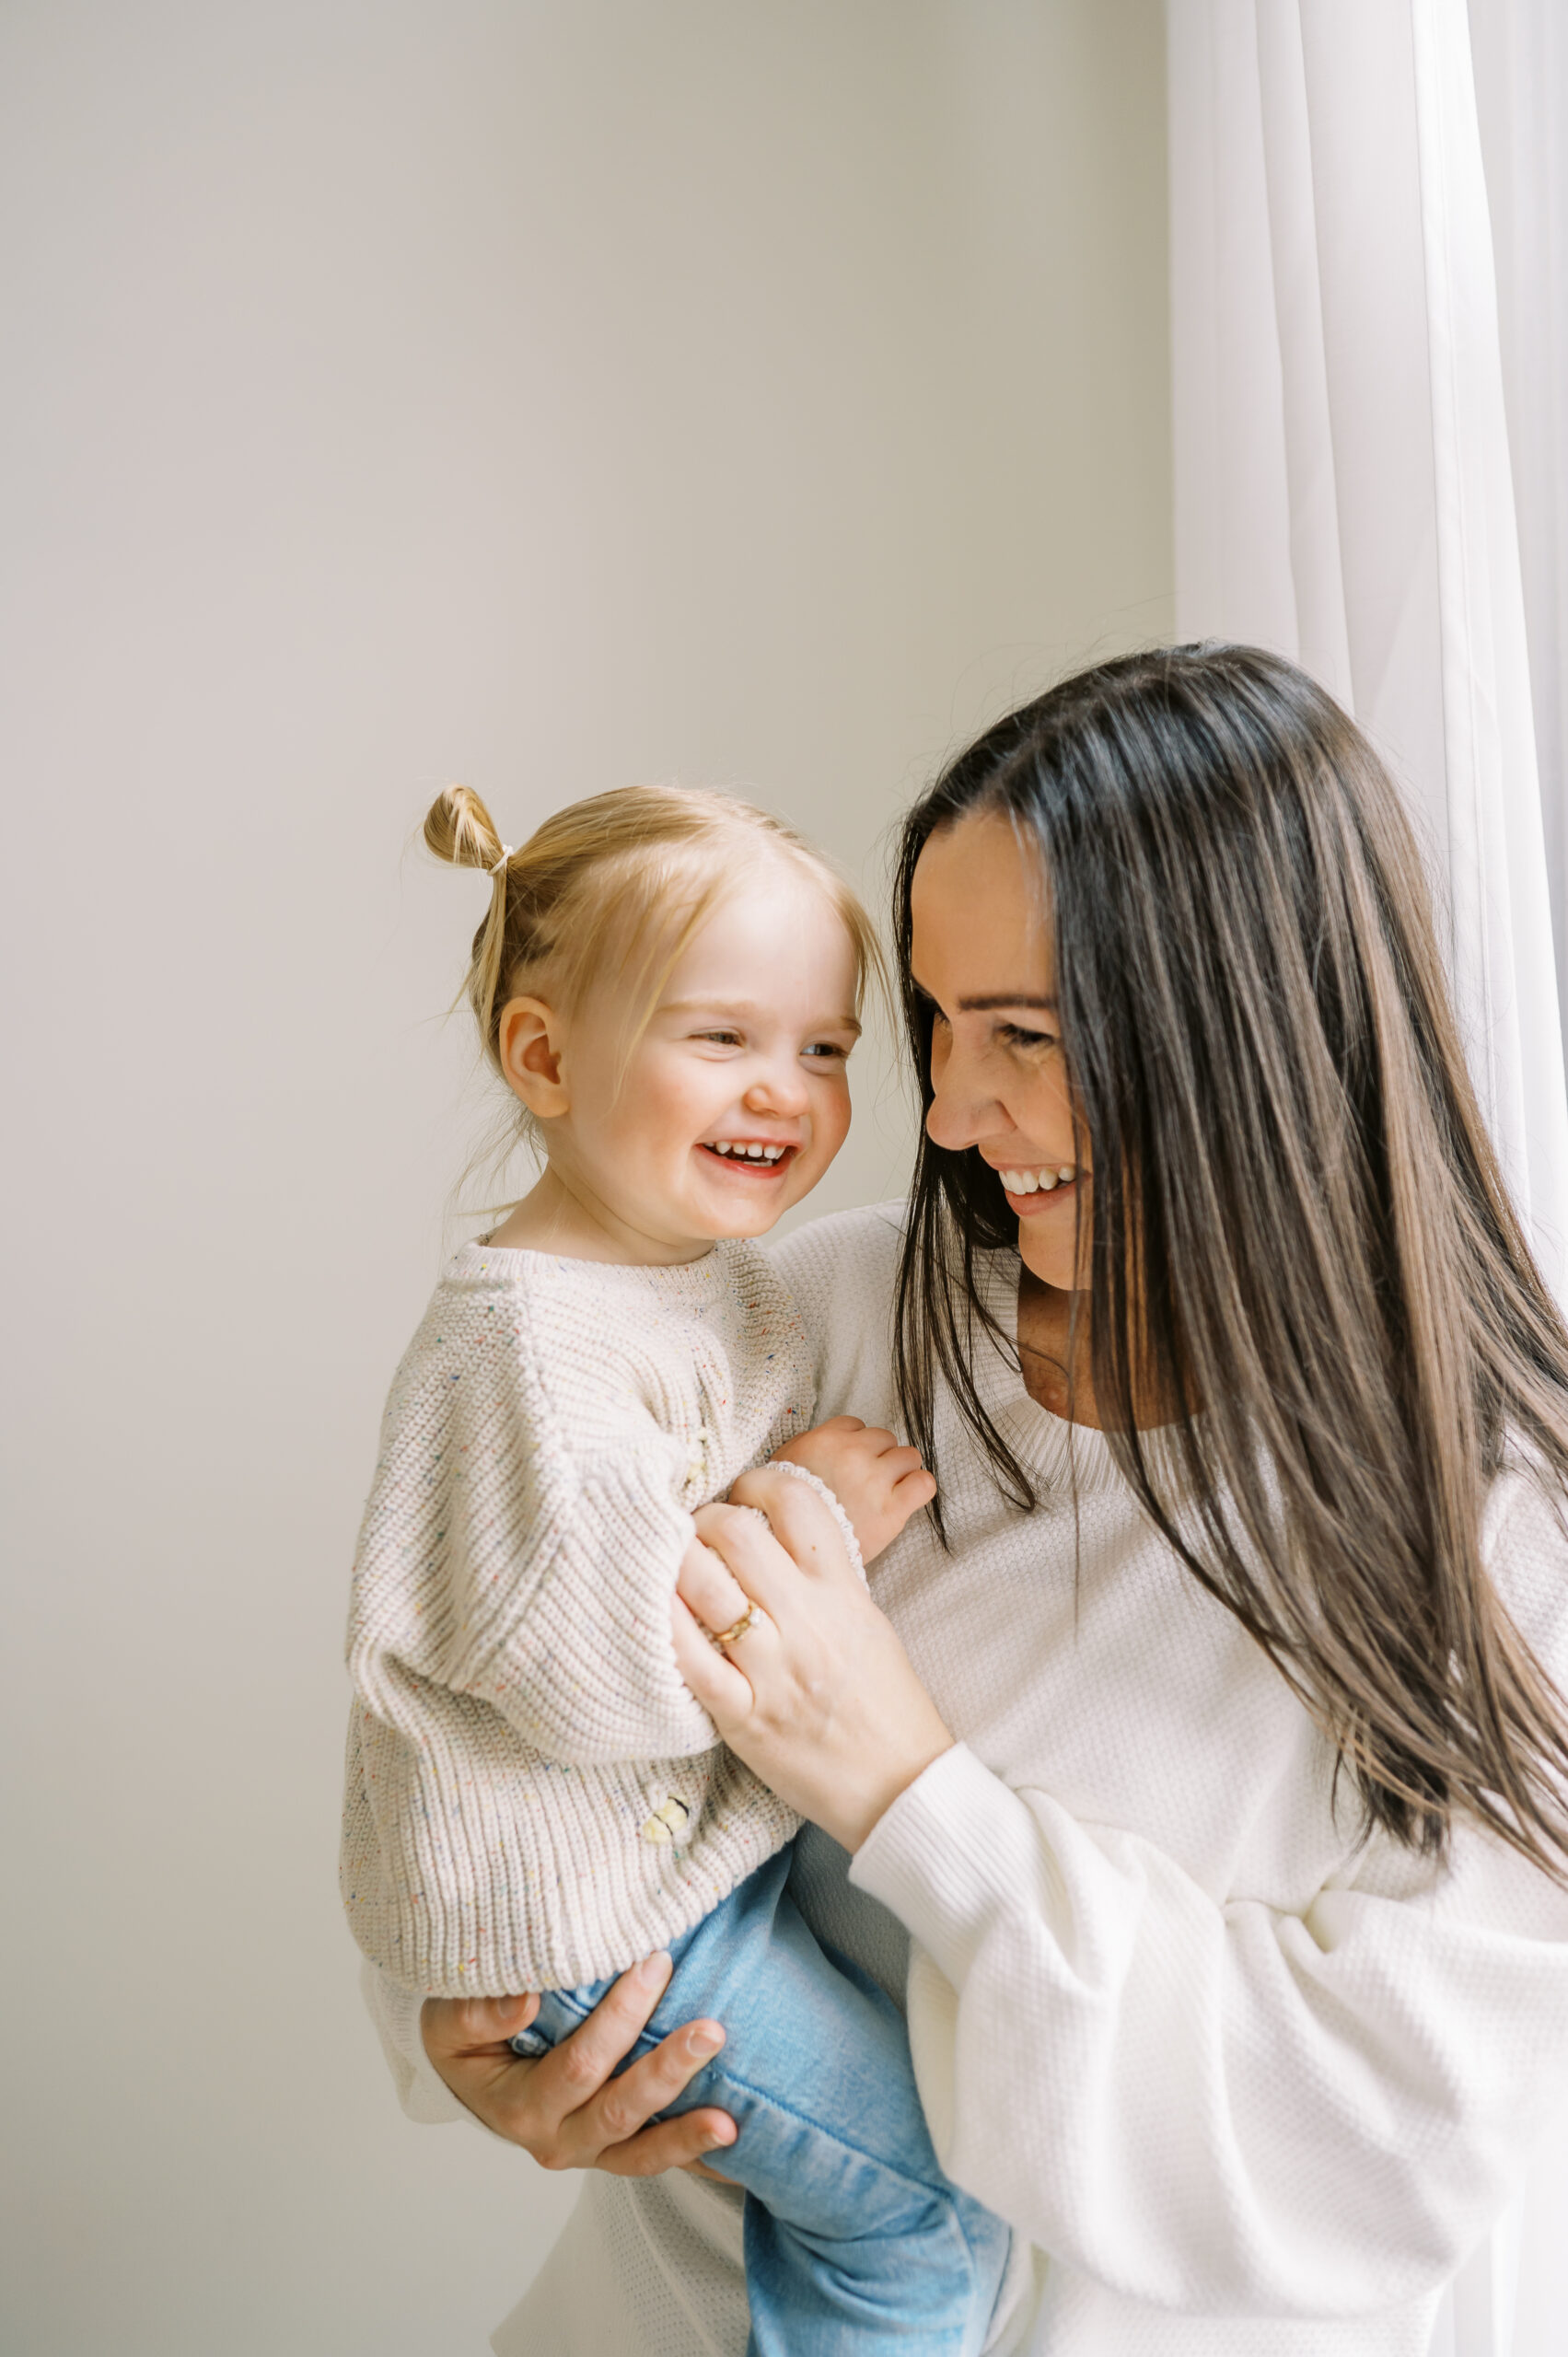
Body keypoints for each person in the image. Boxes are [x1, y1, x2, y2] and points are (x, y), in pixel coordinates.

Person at [393, 644, 1568, 2357]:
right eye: (935, 1026)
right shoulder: (832, 1313)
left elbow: (1377, 2159)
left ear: (1241, 1027)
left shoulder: (1502, 1543)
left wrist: (903, 1789)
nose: (946, 1110)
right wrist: (472, 2017)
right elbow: (489, 1680)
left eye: (1022, 1034)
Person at [343, 780, 1010, 2357]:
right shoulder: (526, 1347)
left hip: (663, 1887)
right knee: (915, 2211)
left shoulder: (718, 1290)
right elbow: (601, 1678)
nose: (785, 1090)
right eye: (722, 1039)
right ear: (545, 1058)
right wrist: (805, 1517)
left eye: (828, 1047)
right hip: (610, 1931)